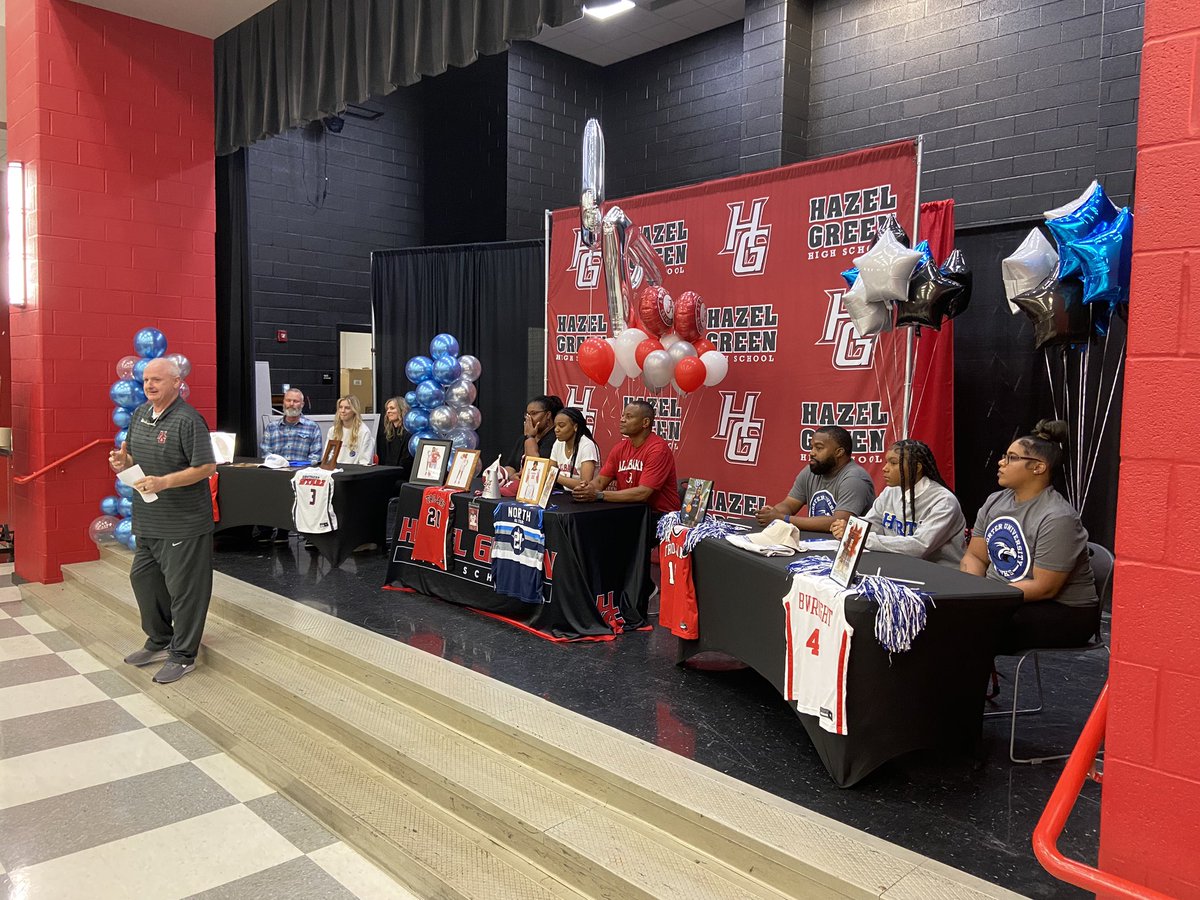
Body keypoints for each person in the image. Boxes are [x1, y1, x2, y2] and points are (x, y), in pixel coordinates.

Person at [108, 357, 217, 685]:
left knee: (185, 591)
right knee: (144, 580)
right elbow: (137, 459)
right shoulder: (141, 414)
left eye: (157, 380)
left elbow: (206, 467)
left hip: (183, 523)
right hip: (148, 519)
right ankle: (159, 639)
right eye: (146, 381)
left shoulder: (188, 420)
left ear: (176, 383)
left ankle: (183, 655)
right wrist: (123, 461)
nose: (150, 386)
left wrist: (164, 482)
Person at [960, 419, 1098, 651]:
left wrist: (985, 599)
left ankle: (965, 687)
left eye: (1011, 458)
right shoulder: (995, 501)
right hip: (1002, 597)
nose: (1001, 462)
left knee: (966, 628)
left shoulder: (1057, 517)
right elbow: (975, 557)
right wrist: (975, 595)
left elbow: (1045, 587)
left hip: (1064, 612)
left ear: (1038, 467)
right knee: (945, 618)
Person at [831, 439, 965, 567]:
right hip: (900, 565)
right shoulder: (890, 491)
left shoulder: (943, 501)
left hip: (941, 573)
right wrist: (851, 527)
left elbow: (919, 546)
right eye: (886, 462)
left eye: (893, 463)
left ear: (916, 467)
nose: (885, 468)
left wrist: (858, 536)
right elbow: (874, 525)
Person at [572, 400, 680, 528]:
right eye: (623, 416)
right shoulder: (620, 448)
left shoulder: (658, 449)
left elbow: (643, 493)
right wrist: (586, 489)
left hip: (660, 517)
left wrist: (599, 495)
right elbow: (600, 482)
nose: (622, 420)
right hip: (630, 512)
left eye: (629, 417)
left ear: (645, 422)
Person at [755, 425, 875, 532]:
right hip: (816, 545)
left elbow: (838, 521)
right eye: (811, 447)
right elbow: (790, 504)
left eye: (819, 448)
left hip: (848, 550)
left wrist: (783, 518)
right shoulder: (811, 470)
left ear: (839, 452)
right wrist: (772, 513)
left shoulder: (854, 478)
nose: (812, 453)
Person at [502, 395, 563, 478]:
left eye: (533, 414)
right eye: (527, 414)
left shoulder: (556, 439)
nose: (528, 418)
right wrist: (512, 476)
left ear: (548, 415)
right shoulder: (523, 438)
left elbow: (537, 467)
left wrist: (530, 437)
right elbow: (510, 466)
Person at [262, 387, 322, 464]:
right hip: (276, 472)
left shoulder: (313, 428)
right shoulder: (271, 428)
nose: (291, 404)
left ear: (302, 404)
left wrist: (295, 466)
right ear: (283, 402)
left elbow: (315, 457)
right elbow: (266, 454)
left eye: (295, 401)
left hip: (301, 473)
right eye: (288, 400)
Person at [550, 407, 600, 490]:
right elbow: (550, 470)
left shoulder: (587, 445)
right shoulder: (558, 443)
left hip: (585, 498)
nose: (556, 430)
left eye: (561, 425)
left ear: (575, 426)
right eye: (555, 426)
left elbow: (584, 484)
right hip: (566, 494)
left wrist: (555, 476)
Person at [327, 395, 376, 465]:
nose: (343, 411)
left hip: (354, 472)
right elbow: (327, 458)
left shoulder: (364, 432)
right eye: (340, 407)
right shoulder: (333, 431)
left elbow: (365, 462)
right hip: (334, 471)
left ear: (354, 410)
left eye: (347, 408)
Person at [377, 395, 413, 481]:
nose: (388, 411)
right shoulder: (388, 434)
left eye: (392, 408)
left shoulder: (408, 434)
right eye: (387, 409)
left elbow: (406, 463)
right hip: (388, 474)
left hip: (402, 477)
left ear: (402, 410)